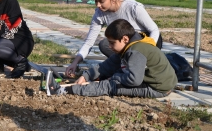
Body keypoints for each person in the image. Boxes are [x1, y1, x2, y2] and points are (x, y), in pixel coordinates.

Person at [47, 19, 177, 98]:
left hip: (158, 88)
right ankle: (73, 87)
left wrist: (115, 77)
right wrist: (86, 76)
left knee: (110, 86)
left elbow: (134, 80)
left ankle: (62, 90)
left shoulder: (136, 51)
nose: (109, 46)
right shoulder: (130, 45)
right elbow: (106, 66)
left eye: (112, 42)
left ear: (124, 39)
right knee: (111, 75)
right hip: (153, 82)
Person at [66, 0, 162, 77]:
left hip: (146, 42)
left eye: (101, 1)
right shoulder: (99, 14)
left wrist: (147, 51)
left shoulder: (133, 8)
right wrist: (75, 62)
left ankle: (141, 65)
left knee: (133, 38)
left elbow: (154, 30)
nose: (97, 5)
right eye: (95, 1)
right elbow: (89, 42)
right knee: (105, 44)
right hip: (126, 45)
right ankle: (125, 66)